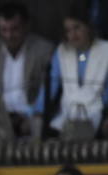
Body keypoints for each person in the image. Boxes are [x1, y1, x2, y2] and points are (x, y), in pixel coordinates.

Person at [0, 2, 54, 140]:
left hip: (30, 115)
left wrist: (30, 114)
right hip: (0, 117)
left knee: (38, 124)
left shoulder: (43, 50)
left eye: (14, 29)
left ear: (26, 26)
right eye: (4, 30)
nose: (9, 35)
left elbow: (46, 94)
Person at [38, 6, 108, 139]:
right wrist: (37, 112)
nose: (73, 34)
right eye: (68, 30)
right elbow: (50, 86)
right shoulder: (62, 52)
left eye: (77, 28)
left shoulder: (105, 50)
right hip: (67, 116)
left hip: (98, 115)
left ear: (89, 27)